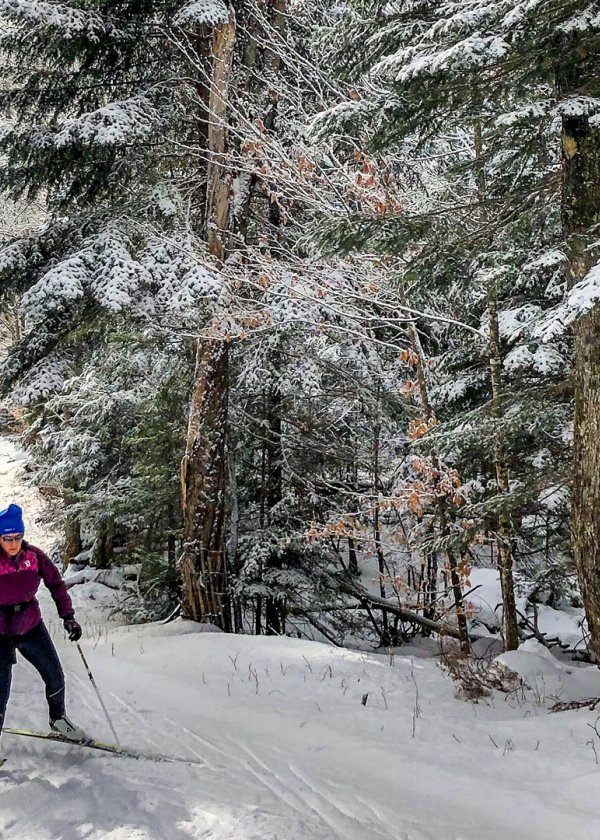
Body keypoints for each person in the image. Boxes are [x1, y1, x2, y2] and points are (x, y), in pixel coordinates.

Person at [0, 503, 84, 740]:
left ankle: (58, 720)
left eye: (17, 537)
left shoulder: (34, 557)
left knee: (55, 674)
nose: (13, 543)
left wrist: (68, 617)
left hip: (30, 625)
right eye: (7, 538)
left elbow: (56, 584)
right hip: (0, 631)